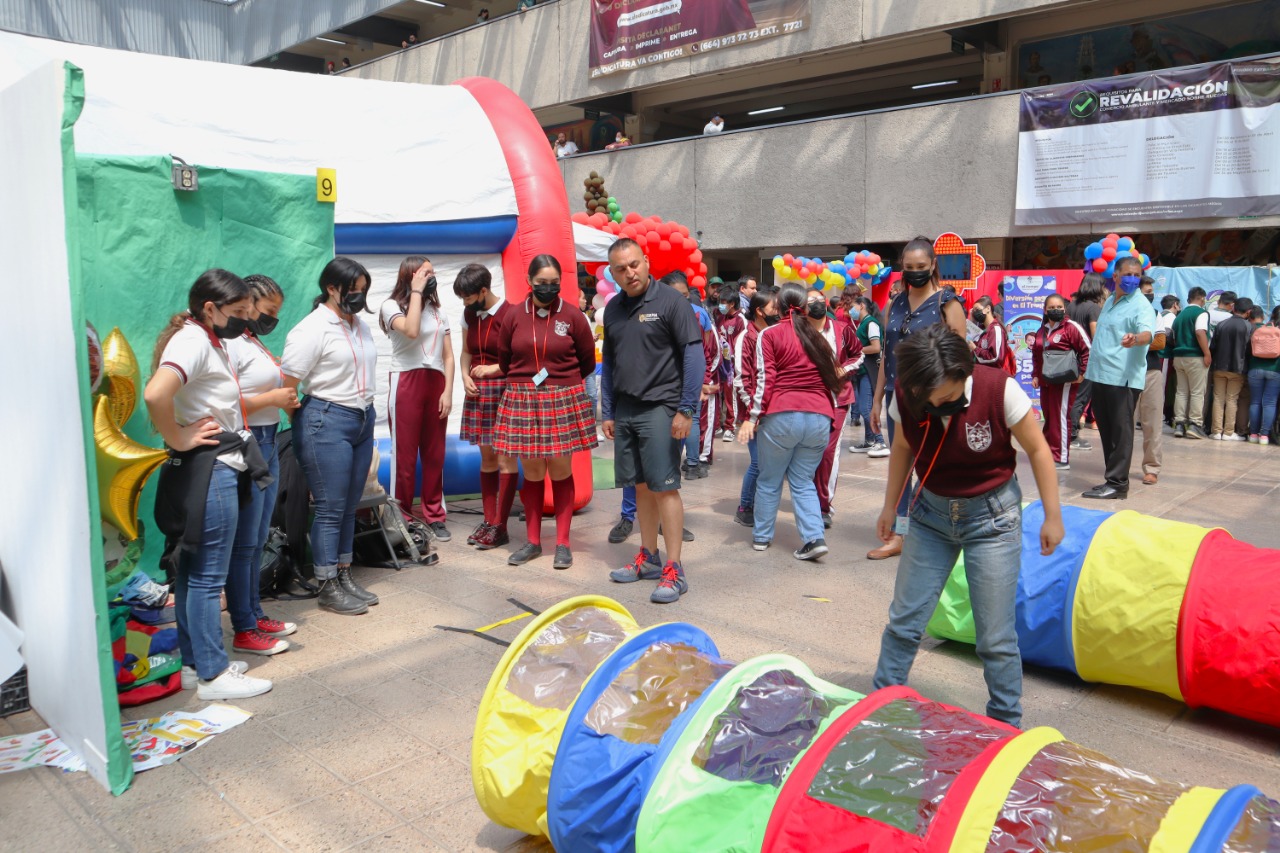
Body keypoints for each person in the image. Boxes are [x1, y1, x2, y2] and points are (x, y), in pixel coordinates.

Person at [872, 325, 1064, 728]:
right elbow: (905, 447)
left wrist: (1053, 515)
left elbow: (1037, 449)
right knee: (905, 623)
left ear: (966, 374)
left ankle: (1005, 725)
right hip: (930, 517)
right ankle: (879, 707)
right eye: (930, 399)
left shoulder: (1000, 390)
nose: (938, 405)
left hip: (992, 519)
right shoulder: (907, 396)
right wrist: (891, 506)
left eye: (947, 397)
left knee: (994, 637)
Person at [146, 270, 275, 700]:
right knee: (205, 577)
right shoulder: (193, 340)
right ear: (210, 309)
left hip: (210, 466)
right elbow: (155, 395)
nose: (245, 321)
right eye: (238, 313)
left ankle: (194, 663)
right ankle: (213, 677)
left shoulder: (205, 338)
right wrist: (177, 436)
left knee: (191, 574)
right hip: (210, 468)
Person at [602, 238, 703, 604]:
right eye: (620, 269)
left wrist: (686, 408)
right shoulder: (612, 309)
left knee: (664, 487)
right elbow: (610, 364)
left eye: (633, 265)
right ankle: (648, 557)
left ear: (646, 262)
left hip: (662, 407)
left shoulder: (672, 302)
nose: (629, 273)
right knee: (640, 486)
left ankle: (674, 569)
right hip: (626, 409)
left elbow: (694, 355)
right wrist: (609, 410)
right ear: (612, 273)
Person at [281, 258, 380, 614]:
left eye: (363, 290)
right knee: (330, 506)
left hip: (362, 418)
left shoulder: (360, 326)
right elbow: (288, 386)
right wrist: (308, 422)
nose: (359, 297)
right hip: (326, 419)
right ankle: (327, 584)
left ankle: (343, 573)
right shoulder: (312, 329)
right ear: (331, 288)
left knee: (349, 505)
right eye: (353, 291)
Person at [492, 256, 597, 568]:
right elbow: (505, 357)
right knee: (534, 471)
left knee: (561, 470)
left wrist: (561, 381)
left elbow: (587, 360)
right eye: (542, 283)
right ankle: (533, 541)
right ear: (529, 280)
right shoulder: (513, 315)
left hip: (563, 395)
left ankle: (563, 542)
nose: (548, 289)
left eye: (554, 283)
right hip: (523, 396)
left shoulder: (573, 315)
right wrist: (526, 381)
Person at [867, 236, 968, 559]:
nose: (914, 273)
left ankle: (947, 533)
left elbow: (960, 360)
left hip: (936, 402)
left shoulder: (947, 304)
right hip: (899, 400)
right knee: (901, 470)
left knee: (938, 468)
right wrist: (877, 399)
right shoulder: (894, 305)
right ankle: (900, 534)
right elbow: (886, 354)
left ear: (933, 265)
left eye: (921, 267)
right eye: (908, 268)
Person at [740, 284, 845, 559]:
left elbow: (765, 378)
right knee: (803, 480)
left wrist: (753, 417)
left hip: (782, 415)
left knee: (769, 479)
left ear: (780, 306)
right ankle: (814, 538)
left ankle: (762, 537)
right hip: (820, 417)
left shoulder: (769, 334)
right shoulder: (819, 336)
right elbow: (832, 379)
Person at [225, 274, 299, 657]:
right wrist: (271, 395)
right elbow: (224, 400)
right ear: (248, 303)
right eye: (268, 312)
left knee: (257, 537)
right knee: (245, 542)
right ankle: (243, 626)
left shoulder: (252, 341)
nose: (271, 319)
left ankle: (253, 612)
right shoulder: (230, 344)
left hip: (269, 438)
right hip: (251, 440)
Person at [379, 256, 454, 538]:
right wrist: (416, 293)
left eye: (433, 272)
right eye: (425, 272)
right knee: (405, 456)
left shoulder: (439, 312)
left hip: (435, 382)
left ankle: (435, 515)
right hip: (406, 380)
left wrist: (448, 391)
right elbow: (410, 331)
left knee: (435, 455)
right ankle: (404, 516)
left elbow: (447, 355)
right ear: (410, 276)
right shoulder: (391, 306)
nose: (431, 276)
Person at [455, 263, 519, 550]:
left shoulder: (511, 313)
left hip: (504, 389)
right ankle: (489, 520)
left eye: (468, 297)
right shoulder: (470, 314)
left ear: (483, 290)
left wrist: (494, 369)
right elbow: (466, 351)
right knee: (487, 458)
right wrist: (465, 376)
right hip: (478, 392)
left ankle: (501, 525)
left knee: (505, 459)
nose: (465, 303)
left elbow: (521, 359)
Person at [1080, 257, 1154, 500]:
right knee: (1108, 432)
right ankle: (1110, 480)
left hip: (1122, 379)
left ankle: (1118, 484)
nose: (1133, 279)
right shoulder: (1111, 300)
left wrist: (1136, 338)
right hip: (1100, 375)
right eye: (1128, 274)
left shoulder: (1140, 304)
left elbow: (1147, 333)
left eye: (1137, 275)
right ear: (1115, 276)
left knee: (1121, 433)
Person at [809, 288, 863, 529]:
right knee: (809, 452)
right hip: (808, 399)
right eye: (811, 300)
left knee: (828, 452)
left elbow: (858, 354)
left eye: (819, 299)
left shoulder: (841, 329)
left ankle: (823, 505)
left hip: (837, 399)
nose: (816, 303)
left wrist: (845, 369)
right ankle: (808, 497)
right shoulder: (798, 331)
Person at [733, 289, 780, 527]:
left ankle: (759, 503)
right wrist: (754, 413)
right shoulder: (746, 337)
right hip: (754, 413)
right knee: (758, 462)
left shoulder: (773, 334)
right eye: (774, 309)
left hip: (773, 410)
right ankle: (745, 506)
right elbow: (741, 379)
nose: (778, 313)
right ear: (760, 311)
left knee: (768, 462)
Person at [1030, 293, 1090, 471]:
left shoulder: (1071, 327)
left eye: (1059, 307)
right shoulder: (1041, 330)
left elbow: (1088, 350)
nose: (1056, 310)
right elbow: (1036, 355)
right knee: (1049, 417)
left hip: (1065, 381)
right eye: (1052, 308)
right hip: (1046, 381)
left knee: (1061, 418)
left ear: (1064, 309)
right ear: (1045, 310)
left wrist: (1082, 373)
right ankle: (1048, 452)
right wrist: (1035, 375)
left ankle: (1061, 457)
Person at [667, 273, 719, 476]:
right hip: (690, 375)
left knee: (678, 418)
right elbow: (706, 346)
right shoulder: (699, 313)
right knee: (692, 418)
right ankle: (692, 464)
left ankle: (675, 465)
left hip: (672, 377)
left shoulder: (661, 312)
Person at [1134, 277, 1168, 484]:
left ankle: (1152, 468)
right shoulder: (1123, 311)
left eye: (1151, 292)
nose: (1150, 295)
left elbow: (1160, 342)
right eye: (1147, 291)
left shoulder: (1156, 314)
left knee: (1153, 422)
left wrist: (1134, 340)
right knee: (1124, 423)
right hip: (1125, 373)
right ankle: (1119, 468)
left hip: (1151, 371)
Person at [1067, 274, 1106, 449]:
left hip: (1068, 359)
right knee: (1080, 398)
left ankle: (1066, 431)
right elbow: (1096, 336)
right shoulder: (1093, 309)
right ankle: (1072, 435)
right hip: (1086, 360)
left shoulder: (1071, 306)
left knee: (1070, 396)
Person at [1170, 286, 1212, 440]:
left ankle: (1179, 424)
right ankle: (1195, 425)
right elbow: (1200, 332)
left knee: (1181, 391)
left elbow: (1173, 337)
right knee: (1197, 392)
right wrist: (1207, 353)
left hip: (1179, 357)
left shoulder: (1179, 316)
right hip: (1195, 357)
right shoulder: (1201, 313)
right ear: (1202, 298)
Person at [1210, 297, 1254, 441]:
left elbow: (1213, 347)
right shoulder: (1249, 327)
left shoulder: (1222, 324)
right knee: (1232, 399)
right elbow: (1249, 350)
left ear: (1234, 308)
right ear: (1248, 312)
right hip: (1238, 368)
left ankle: (1216, 431)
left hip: (1219, 367)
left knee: (1218, 398)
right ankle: (1228, 432)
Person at [848, 296, 884, 453]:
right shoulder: (863, 324)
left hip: (869, 371)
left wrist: (856, 350)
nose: (851, 310)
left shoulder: (871, 323)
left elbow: (876, 347)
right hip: (862, 371)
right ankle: (869, 441)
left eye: (852, 306)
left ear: (861, 306)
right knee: (865, 408)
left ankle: (879, 441)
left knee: (865, 407)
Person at [715, 282, 747, 440]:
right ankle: (718, 424)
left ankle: (730, 427)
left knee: (730, 395)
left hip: (732, 365)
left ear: (732, 303)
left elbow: (744, 343)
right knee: (718, 394)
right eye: (720, 302)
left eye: (723, 302)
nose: (721, 305)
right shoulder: (720, 318)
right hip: (721, 363)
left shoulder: (741, 320)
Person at [1247, 306, 1280, 445]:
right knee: (1269, 403)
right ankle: (1265, 436)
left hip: (1255, 368)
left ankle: (1253, 434)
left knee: (1255, 401)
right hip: (1275, 370)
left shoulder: (1261, 328)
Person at [971, 296, 1008, 368]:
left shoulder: (995, 329)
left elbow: (995, 358)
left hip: (992, 375)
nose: (975, 313)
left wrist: (975, 348)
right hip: (979, 373)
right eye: (973, 311)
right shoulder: (981, 329)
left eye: (977, 309)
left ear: (988, 308)